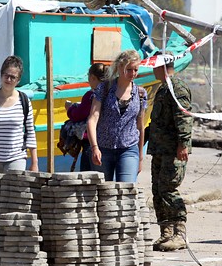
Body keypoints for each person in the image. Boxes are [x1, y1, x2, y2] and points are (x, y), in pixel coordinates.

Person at [148, 56, 193, 252]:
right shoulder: (163, 87)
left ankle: (180, 233)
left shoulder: (177, 88)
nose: (152, 70)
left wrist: (183, 144)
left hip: (172, 150)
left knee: (169, 189)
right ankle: (166, 232)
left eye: (155, 67)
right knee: (158, 191)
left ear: (163, 67)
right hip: (160, 149)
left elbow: (183, 117)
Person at [86, 50, 147, 182]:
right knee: (103, 192)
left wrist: (140, 157)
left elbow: (140, 126)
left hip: (129, 149)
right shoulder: (104, 88)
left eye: (135, 70)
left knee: (126, 191)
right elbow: (92, 119)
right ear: (119, 67)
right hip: (103, 148)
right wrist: (94, 147)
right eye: (129, 69)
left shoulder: (141, 93)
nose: (133, 74)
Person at [64, 63, 106, 171]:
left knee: (87, 172)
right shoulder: (110, 93)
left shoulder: (91, 96)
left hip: (91, 142)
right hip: (107, 140)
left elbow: (78, 115)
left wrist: (70, 108)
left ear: (92, 77)